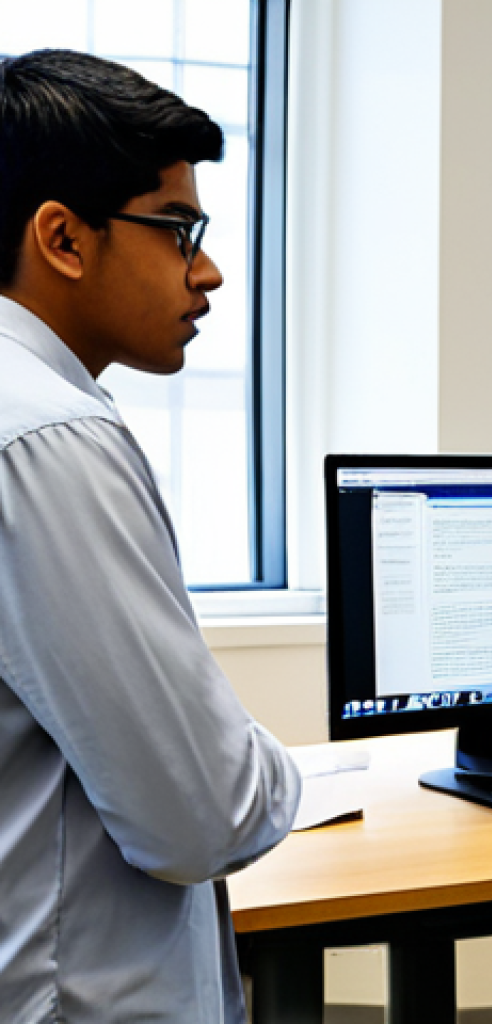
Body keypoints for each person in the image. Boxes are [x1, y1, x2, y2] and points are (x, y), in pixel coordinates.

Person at [0, 50, 301, 1023]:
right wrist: (284, 768)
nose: (208, 271)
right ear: (63, 238)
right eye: (178, 229)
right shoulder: (50, 437)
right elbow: (198, 811)